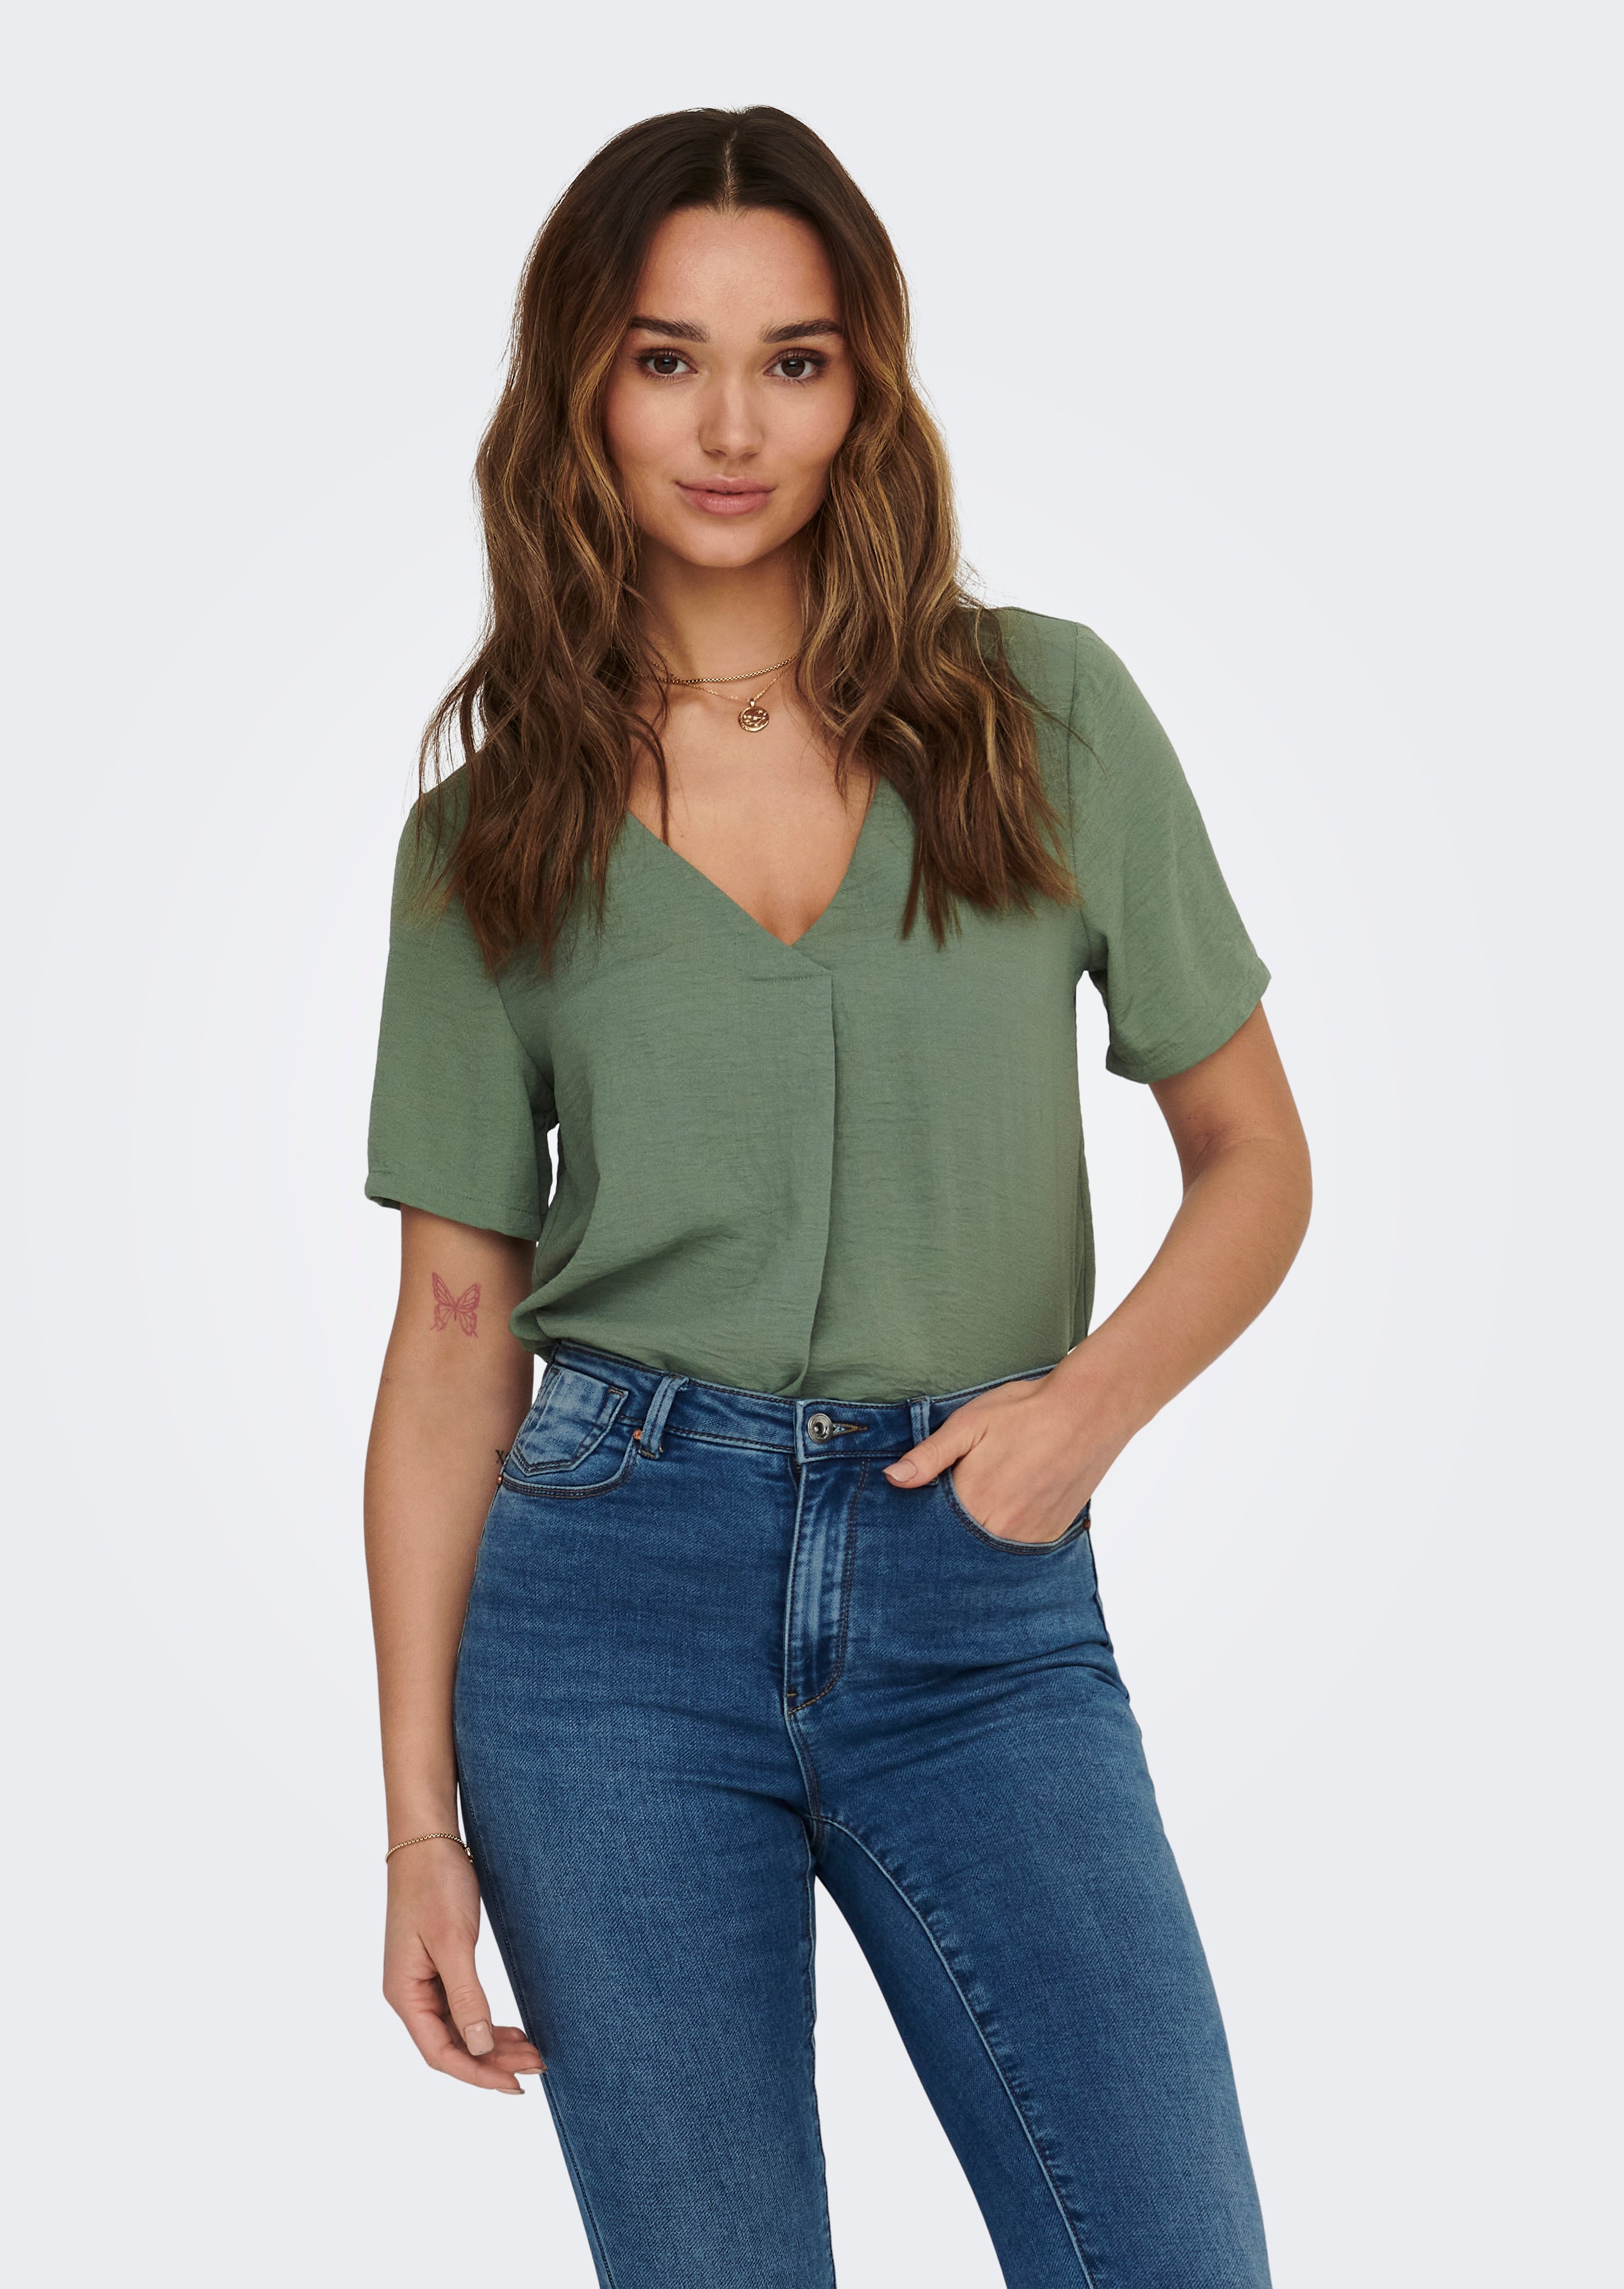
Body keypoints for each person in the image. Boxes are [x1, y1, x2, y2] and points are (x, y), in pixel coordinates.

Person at [362, 104, 1310, 2289]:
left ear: (864, 383)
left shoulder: (1043, 713)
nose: (732, 427)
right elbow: (447, 1341)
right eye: (666, 359)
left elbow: (1256, 1157)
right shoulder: (490, 837)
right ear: (580, 386)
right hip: (604, 1619)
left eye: (792, 360)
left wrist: (1080, 1416)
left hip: (981, 1600)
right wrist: (418, 1823)